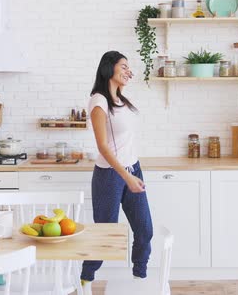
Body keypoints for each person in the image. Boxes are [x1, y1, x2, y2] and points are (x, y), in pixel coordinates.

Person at [80, 51, 153, 294]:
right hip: (110, 176)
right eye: (123, 66)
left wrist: (133, 173)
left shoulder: (122, 100)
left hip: (133, 168)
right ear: (109, 68)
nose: (128, 71)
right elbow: (102, 146)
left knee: (144, 230)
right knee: (105, 235)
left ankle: (138, 280)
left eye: (128, 67)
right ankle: (85, 279)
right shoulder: (98, 101)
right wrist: (127, 177)